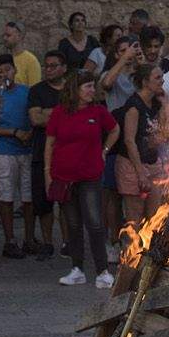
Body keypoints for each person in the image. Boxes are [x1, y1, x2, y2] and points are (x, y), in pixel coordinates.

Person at [41, 69, 118, 287]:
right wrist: (47, 173)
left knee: (94, 223)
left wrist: (104, 150)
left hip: (90, 176)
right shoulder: (59, 112)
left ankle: (102, 271)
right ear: (76, 89)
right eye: (88, 87)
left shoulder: (98, 111)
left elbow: (115, 130)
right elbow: (50, 143)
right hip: (64, 177)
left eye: (93, 86)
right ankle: (77, 269)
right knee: (72, 224)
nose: (93, 90)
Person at [0, 55, 38, 257]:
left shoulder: (26, 93)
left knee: (28, 198)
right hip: (4, 151)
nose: (4, 75)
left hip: (26, 149)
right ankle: (10, 240)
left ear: (14, 70)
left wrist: (29, 134)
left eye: (7, 70)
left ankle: (29, 238)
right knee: (6, 196)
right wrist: (14, 133)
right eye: (0, 72)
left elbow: (35, 116)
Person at [114, 60, 164, 234]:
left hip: (152, 163)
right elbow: (129, 140)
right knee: (135, 219)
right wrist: (140, 173)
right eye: (157, 78)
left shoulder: (156, 103)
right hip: (132, 166)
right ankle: (131, 258)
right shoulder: (134, 106)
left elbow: (163, 132)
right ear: (145, 82)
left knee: (155, 217)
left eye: (162, 77)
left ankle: (149, 258)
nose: (162, 81)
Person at [27, 51, 69, 255]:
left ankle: (67, 244)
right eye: (47, 66)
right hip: (41, 151)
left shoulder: (70, 90)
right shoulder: (36, 91)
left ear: (64, 68)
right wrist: (62, 112)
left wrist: (48, 112)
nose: (49, 69)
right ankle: (47, 243)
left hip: (66, 153)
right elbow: (35, 119)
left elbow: (76, 115)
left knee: (66, 202)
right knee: (43, 202)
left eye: (53, 65)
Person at [57, 10, 102, 78]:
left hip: (90, 80)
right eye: (77, 21)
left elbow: (100, 58)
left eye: (82, 20)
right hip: (71, 80)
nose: (80, 23)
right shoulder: (64, 44)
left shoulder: (92, 41)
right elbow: (61, 64)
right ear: (71, 25)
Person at [0, 20, 41, 88]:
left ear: (19, 36)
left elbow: (34, 89)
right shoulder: (3, 59)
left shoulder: (31, 61)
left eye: (8, 35)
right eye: (4, 35)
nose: (4, 38)